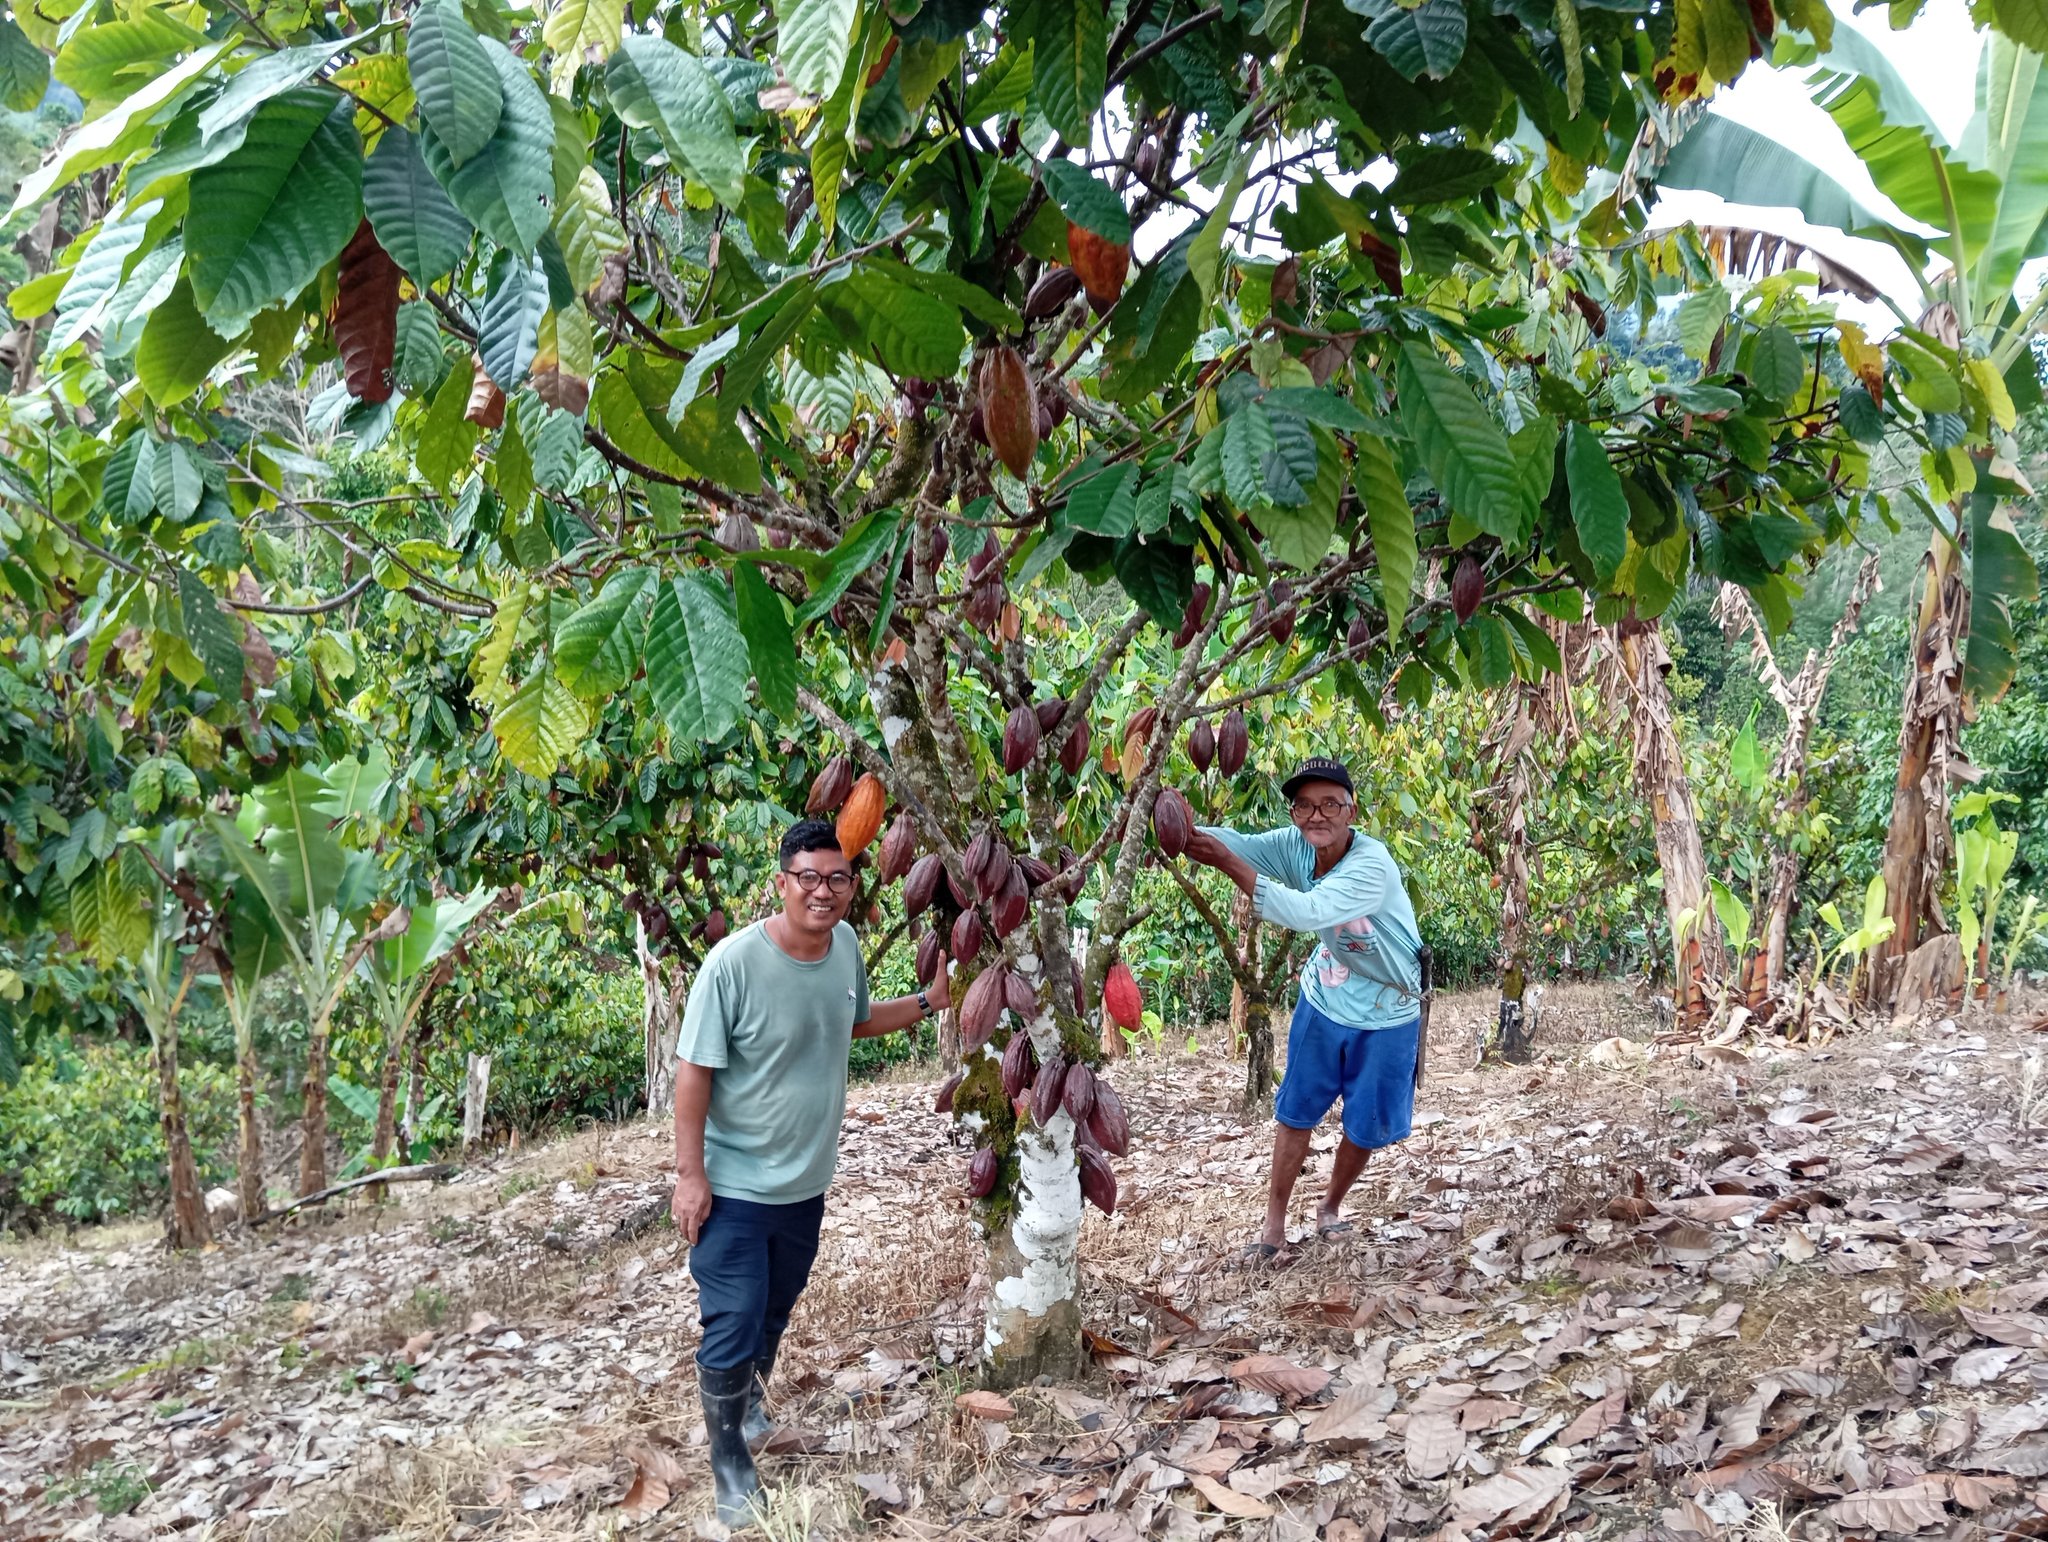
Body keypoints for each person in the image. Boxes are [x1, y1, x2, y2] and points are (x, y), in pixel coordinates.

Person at [671, 817, 949, 1526]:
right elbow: (693, 1074)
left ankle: (749, 1400)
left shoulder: (845, 946)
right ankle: (729, 1459)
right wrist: (689, 1174)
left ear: (851, 888)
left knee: (775, 1306)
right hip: (734, 1186)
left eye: (837, 879)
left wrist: (928, 1003)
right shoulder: (731, 965)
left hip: (805, 1182)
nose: (823, 893)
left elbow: (850, 1020)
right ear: (783, 883)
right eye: (809, 879)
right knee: (733, 1318)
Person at [1180, 756, 1424, 1260]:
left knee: (1364, 1126)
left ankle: (1330, 1207)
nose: (1317, 816)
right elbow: (1237, 843)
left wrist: (1226, 864)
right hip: (1325, 996)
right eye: (1305, 806)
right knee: (1295, 1113)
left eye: (1330, 804)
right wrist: (1174, 826)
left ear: (1351, 811)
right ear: (1294, 813)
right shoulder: (1296, 846)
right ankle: (1272, 1229)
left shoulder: (1371, 865)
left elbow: (1305, 911)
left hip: (1389, 1010)